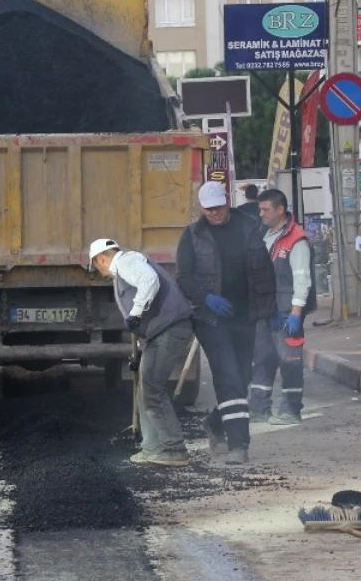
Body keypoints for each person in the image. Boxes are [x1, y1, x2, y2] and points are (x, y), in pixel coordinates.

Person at [176, 181, 277, 465]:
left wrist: (271, 309)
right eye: (209, 209)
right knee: (229, 376)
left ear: (227, 201)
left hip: (245, 315)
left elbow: (264, 271)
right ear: (202, 208)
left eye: (219, 207)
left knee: (242, 377)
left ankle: (216, 421)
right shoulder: (192, 236)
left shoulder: (248, 227)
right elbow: (183, 277)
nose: (215, 213)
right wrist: (206, 298)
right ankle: (238, 444)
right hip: (211, 320)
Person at [90, 237, 194, 467]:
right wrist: (139, 352)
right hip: (159, 333)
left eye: (96, 266)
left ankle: (174, 449)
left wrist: (135, 313)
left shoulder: (126, 261)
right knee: (144, 389)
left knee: (152, 389)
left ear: (101, 258)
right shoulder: (123, 272)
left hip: (170, 328)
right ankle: (152, 447)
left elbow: (149, 280)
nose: (98, 271)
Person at [249, 189, 315, 426]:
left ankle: (291, 409)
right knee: (263, 358)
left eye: (265, 209)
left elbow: (302, 279)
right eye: (260, 209)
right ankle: (258, 407)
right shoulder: (265, 234)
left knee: (289, 360)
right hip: (266, 310)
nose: (261, 213)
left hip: (287, 312)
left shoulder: (296, 239)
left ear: (280, 210)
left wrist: (296, 313)